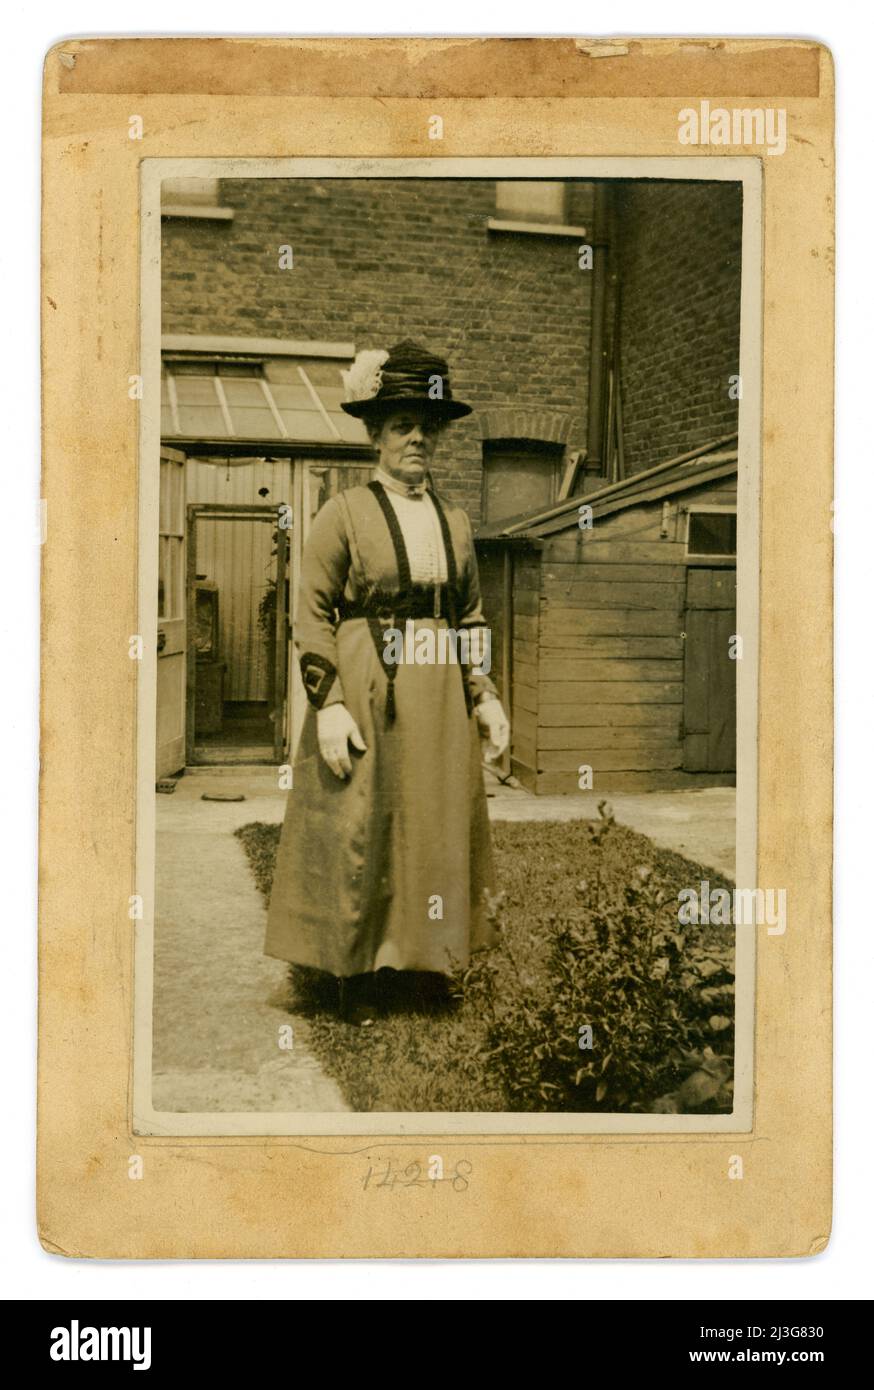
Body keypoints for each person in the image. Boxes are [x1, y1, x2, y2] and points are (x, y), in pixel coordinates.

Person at [263, 340, 510, 1024]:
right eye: (403, 424)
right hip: (369, 684)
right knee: (363, 822)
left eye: (429, 425)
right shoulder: (343, 514)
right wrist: (331, 704)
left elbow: (470, 614)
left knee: (435, 819)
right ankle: (358, 975)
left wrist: (484, 694)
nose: (418, 438)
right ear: (376, 432)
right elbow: (309, 611)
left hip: (439, 696)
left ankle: (430, 966)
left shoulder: (455, 522)